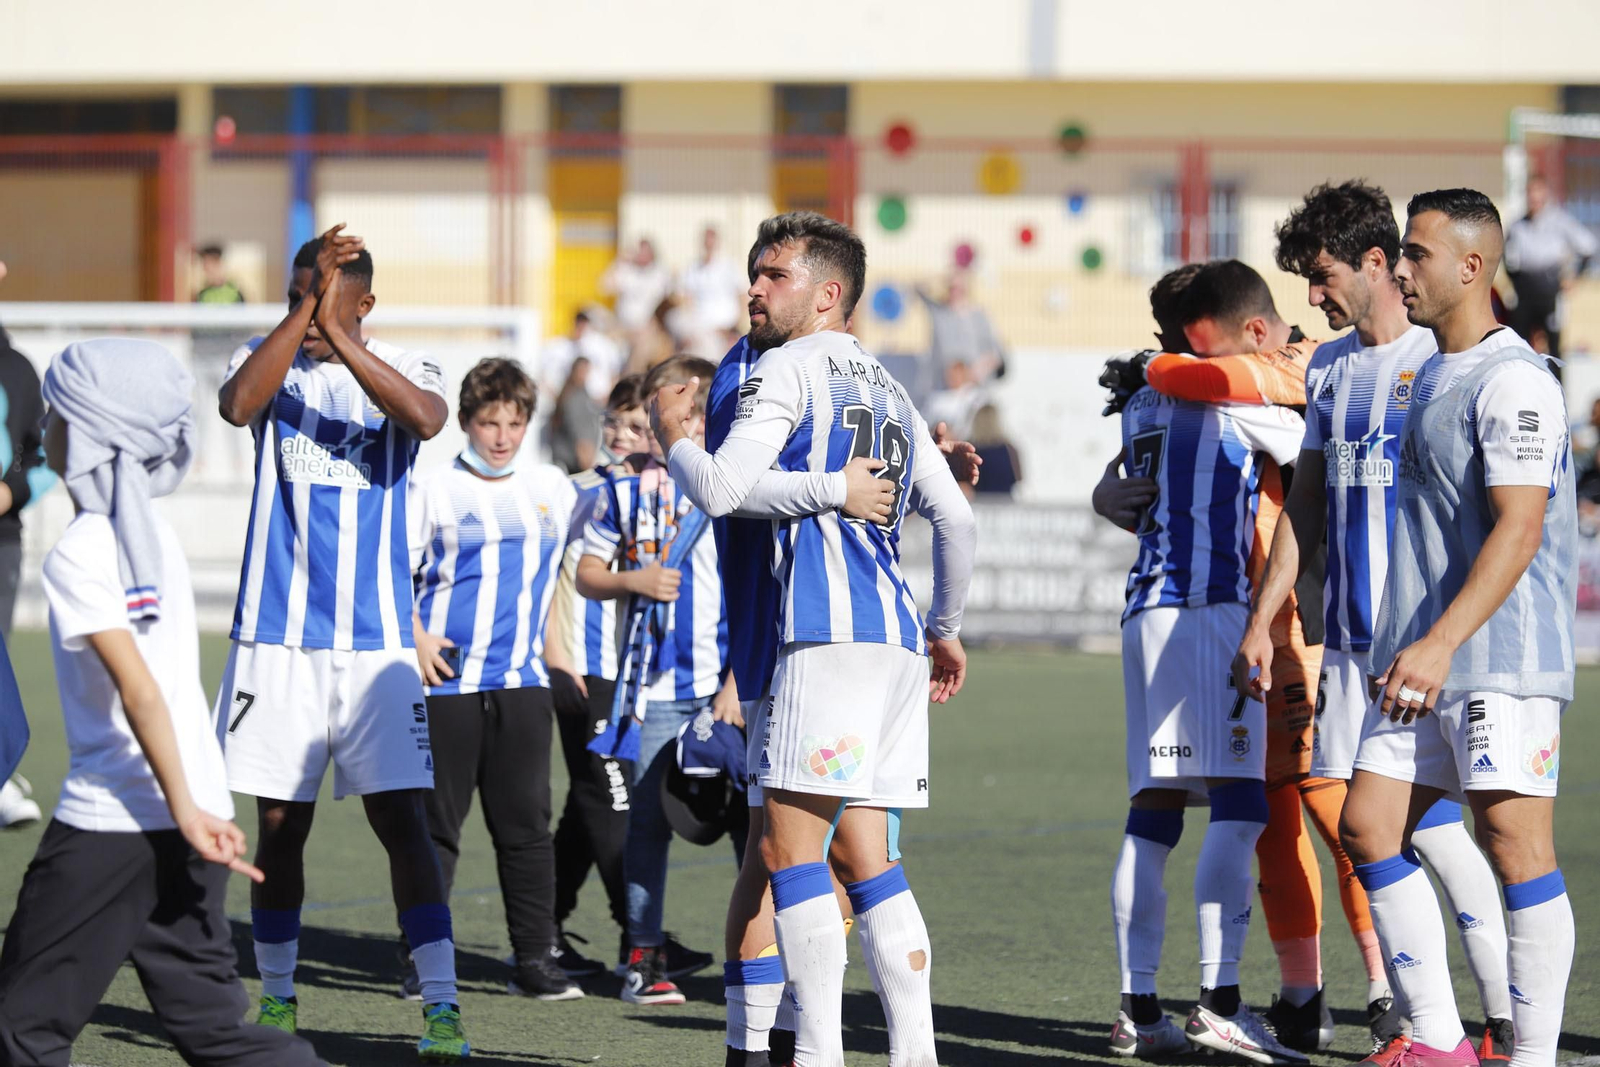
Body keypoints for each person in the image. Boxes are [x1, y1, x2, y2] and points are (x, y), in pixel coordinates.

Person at [656, 211, 977, 1067]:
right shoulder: (892, 385)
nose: (753, 288)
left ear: (827, 293)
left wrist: (674, 444)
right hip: (899, 641)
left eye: (774, 276)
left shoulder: (786, 366)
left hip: (822, 637)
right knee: (868, 860)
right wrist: (945, 627)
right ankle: (915, 1055)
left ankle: (817, 1056)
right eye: (754, 274)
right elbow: (955, 519)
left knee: (787, 853)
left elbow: (723, 487)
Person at [1233, 181, 1516, 1059]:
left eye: (1319, 277)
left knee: (1460, 830)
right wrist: (1263, 618)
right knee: (1398, 828)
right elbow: (1307, 508)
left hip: (1431, 642)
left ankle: (1498, 1021)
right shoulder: (1325, 368)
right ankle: (1440, 1030)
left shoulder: (1445, 358)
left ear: (1378, 262)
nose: (1310, 299)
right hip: (1350, 648)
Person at [0, 338, 322, 1067]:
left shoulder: (82, 548)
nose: (44, 424)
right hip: (190, 811)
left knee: (22, 1027)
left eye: (57, 411)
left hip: (119, 820)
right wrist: (192, 810)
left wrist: (179, 811)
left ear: (87, 433)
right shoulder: (156, 539)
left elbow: (139, 690)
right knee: (214, 1029)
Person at [214, 224, 469, 1061]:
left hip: (378, 648)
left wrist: (341, 333)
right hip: (276, 640)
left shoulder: (408, 367)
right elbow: (237, 406)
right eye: (294, 297)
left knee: (405, 821)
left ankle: (440, 1007)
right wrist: (301, 316)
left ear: (365, 303)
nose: (307, 314)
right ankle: (279, 998)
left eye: (323, 299)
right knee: (280, 825)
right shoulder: (266, 357)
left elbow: (427, 419)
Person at [1337, 188, 1575, 1067]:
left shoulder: (1516, 379)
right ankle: (1438, 1043)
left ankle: (1535, 1056)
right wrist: (1413, 638)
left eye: (1417, 253)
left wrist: (1439, 641)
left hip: (1499, 657)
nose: (1400, 267)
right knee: (1366, 824)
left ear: (1471, 267)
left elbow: (1519, 528)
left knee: (1514, 844)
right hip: (1422, 653)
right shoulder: (1433, 367)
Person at [1096, 259, 1310, 1061]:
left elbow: (1124, 486)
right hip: (1215, 606)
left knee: (1152, 809)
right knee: (1241, 802)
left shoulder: (1142, 399)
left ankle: (1136, 1005)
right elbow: (1312, 449)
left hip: (1144, 611)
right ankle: (1221, 998)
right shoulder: (1222, 389)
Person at [407, 357, 582, 1002]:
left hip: (521, 684)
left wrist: (558, 650)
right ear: (465, 422)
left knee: (526, 829)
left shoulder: (552, 488)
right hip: (446, 683)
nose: (502, 435)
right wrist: (416, 637)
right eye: (488, 422)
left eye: (514, 422)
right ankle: (423, 961)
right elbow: (387, 571)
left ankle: (535, 961)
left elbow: (570, 570)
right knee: (435, 830)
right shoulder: (433, 488)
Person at [543, 375, 653, 977]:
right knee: (613, 801)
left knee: (589, 803)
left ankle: (542, 933)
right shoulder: (579, 492)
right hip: (586, 672)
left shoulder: (659, 491)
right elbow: (543, 579)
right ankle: (640, 936)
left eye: (635, 425)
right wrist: (554, 652)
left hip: (625, 674)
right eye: (614, 421)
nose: (618, 434)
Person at [1504, 174, 1596, 366]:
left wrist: (1575, 277)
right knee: (1518, 345)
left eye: (1538, 192)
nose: (1534, 198)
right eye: (1531, 192)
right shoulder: (1518, 225)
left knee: (1553, 348)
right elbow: (1508, 259)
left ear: (1546, 194)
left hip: (1550, 292)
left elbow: (1588, 248)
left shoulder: (1560, 222)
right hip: (1525, 293)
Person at [916, 269, 1005, 383]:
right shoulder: (939, 311)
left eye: (959, 288)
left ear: (966, 289)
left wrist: (975, 371)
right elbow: (917, 288)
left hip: (972, 387)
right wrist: (941, 278)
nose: (955, 292)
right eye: (951, 288)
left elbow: (995, 353)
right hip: (942, 386)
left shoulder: (978, 315)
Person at [679, 226, 748, 354]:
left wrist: (736, 325)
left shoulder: (730, 265)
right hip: (701, 328)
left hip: (726, 327)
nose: (709, 245)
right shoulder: (693, 267)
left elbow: (742, 295)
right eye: (706, 241)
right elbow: (686, 299)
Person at [540, 309, 624, 403]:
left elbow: (615, 374)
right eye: (579, 322)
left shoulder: (605, 346)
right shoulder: (557, 346)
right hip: (567, 402)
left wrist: (607, 397)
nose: (582, 327)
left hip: (597, 401)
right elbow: (544, 376)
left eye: (585, 323)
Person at [603, 238, 672, 338]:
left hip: (648, 328)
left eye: (645, 252)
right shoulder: (627, 271)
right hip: (623, 325)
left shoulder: (660, 273)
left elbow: (669, 298)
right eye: (639, 251)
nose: (642, 255)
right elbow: (605, 287)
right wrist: (619, 261)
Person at [546, 356, 603, 473]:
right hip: (572, 457)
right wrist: (583, 449)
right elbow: (575, 425)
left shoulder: (583, 392)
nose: (585, 375)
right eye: (582, 371)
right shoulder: (571, 395)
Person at [967, 403, 1021, 497]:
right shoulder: (1008, 449)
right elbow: (1018, 478)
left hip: (979, 505)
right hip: (1005, 503)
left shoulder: (971, 450)